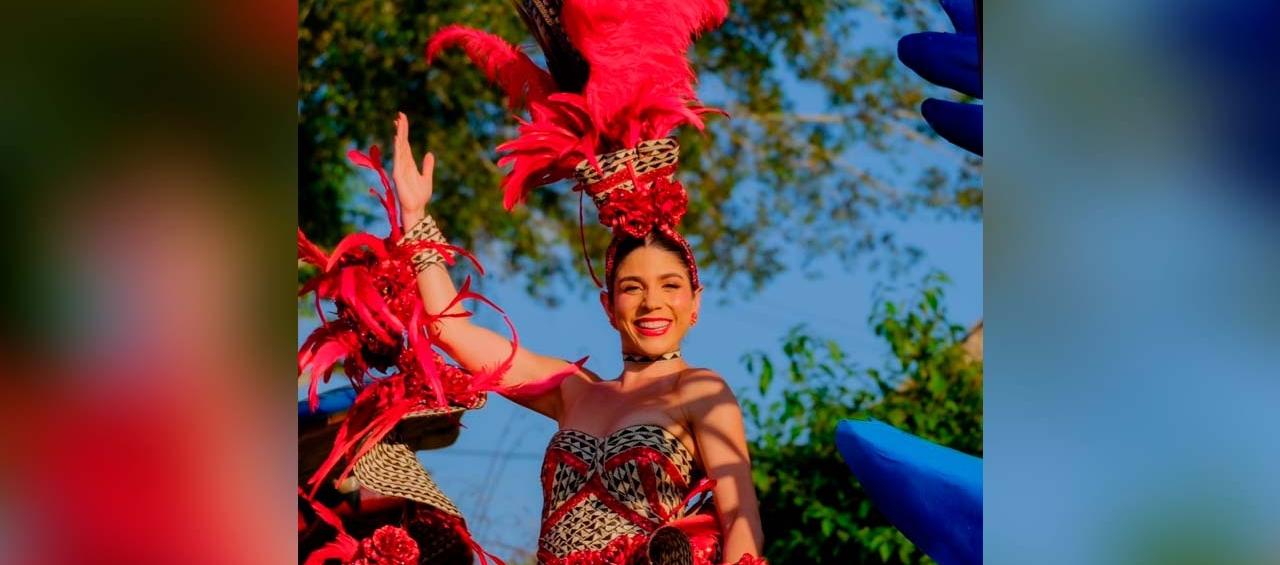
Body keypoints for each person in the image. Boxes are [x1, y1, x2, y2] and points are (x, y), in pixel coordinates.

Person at [390, 111, 765, 564]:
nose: (652, 303)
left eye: (670, 286)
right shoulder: (572, 390)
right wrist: (415, 217)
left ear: (695, 303)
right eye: (632, 288)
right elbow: (450, 330)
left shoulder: (701, 390)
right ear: (609, 306)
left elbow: (740, 517)